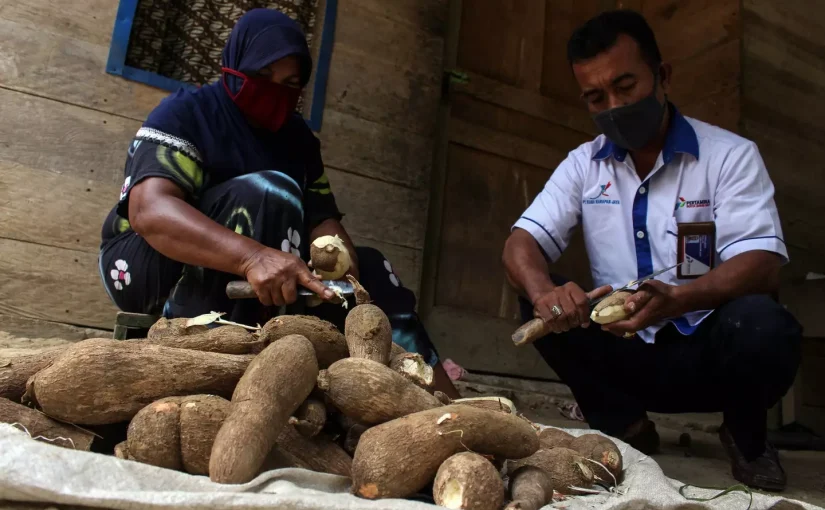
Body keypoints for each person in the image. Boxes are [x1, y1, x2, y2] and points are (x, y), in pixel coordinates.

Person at [502, 10, 801, 491]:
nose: (614, 106)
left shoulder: (729, 155)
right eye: (596, 97)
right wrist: (543, 292)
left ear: (662, 76)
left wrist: (679, 298)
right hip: (622, 348)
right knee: (538, 299)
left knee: (762, 324)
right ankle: (626, 425)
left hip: (705, 350)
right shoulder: (583, 164)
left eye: (625, 86)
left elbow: (762, 265)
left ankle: (746, 436)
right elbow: (522, 244)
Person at [98, 8, 460, 398]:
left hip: (259, 276)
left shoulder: (297, 138)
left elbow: (322, 220)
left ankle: (437, 400)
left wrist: (342, 264)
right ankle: (217, 359)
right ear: (233, 66)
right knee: (266, 192)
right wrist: (252, 257)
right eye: (261, 77)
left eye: (290, 83)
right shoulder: (187, 113)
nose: (274, 92)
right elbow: (148, 212)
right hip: (148, 263)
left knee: (369, 267)